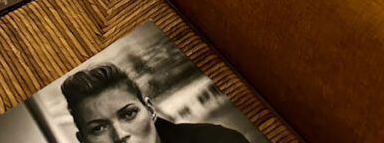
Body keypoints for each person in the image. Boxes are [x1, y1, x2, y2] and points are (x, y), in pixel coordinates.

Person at [61, 64, 250, 143]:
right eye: (98, 128)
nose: (120, 135)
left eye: (129, 114)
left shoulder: (216, 141)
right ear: (83, 140)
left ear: (150, 109)